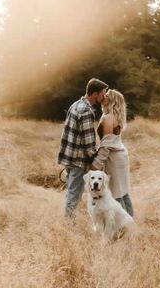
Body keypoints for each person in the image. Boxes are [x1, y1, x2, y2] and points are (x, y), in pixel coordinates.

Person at [58, 78, 108, 218]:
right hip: (79, 161)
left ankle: (68, 224)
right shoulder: (86, 110)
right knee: (74, 196)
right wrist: (95, 158)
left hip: (70, 157)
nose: (104, 96)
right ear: (95, 93)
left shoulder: (76, 104)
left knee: (71, 193)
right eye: (103, 93)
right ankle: (68, 228)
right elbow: (88, 142)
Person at [91, 89, 134, 217]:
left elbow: (107, 144)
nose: (104, 96)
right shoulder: (113, 116)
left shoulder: (109, 117)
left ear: (112, 100)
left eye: (107, 96)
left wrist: (96, 165)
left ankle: (123, 226)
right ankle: (130, 224)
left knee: (116, 192)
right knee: (123, 191)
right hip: (120, 155)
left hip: (114, 158)